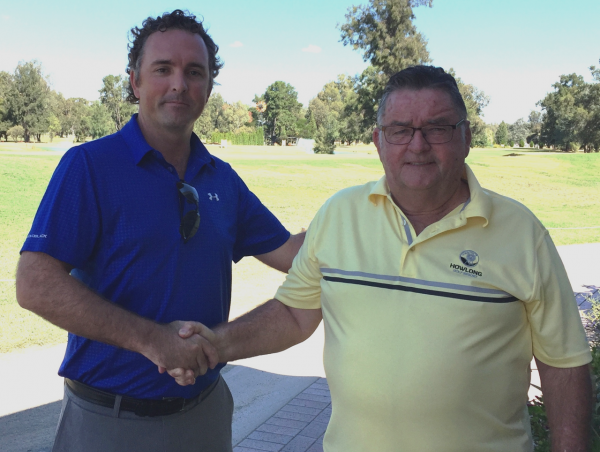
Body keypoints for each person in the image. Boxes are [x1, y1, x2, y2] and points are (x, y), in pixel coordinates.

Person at [172, 66, 593, 451]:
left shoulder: (522, 233)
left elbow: (563, 365)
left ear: (466, 138)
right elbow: (294, 315)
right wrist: (216, 344)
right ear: (377, 141)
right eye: (399, 130)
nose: (418, 144)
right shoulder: (340, 215)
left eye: (438, 128)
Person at [15, 9, 303, 452]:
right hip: (109, 423)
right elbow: (34, 283)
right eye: (162, 69)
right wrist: (154, 341)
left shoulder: (221, 180)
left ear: (208, 87)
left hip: (203, 417)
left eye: (194, 72)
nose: (178, 84)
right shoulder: (89, 167)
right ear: (134, 82)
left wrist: (370, 212)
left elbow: (293, 254)